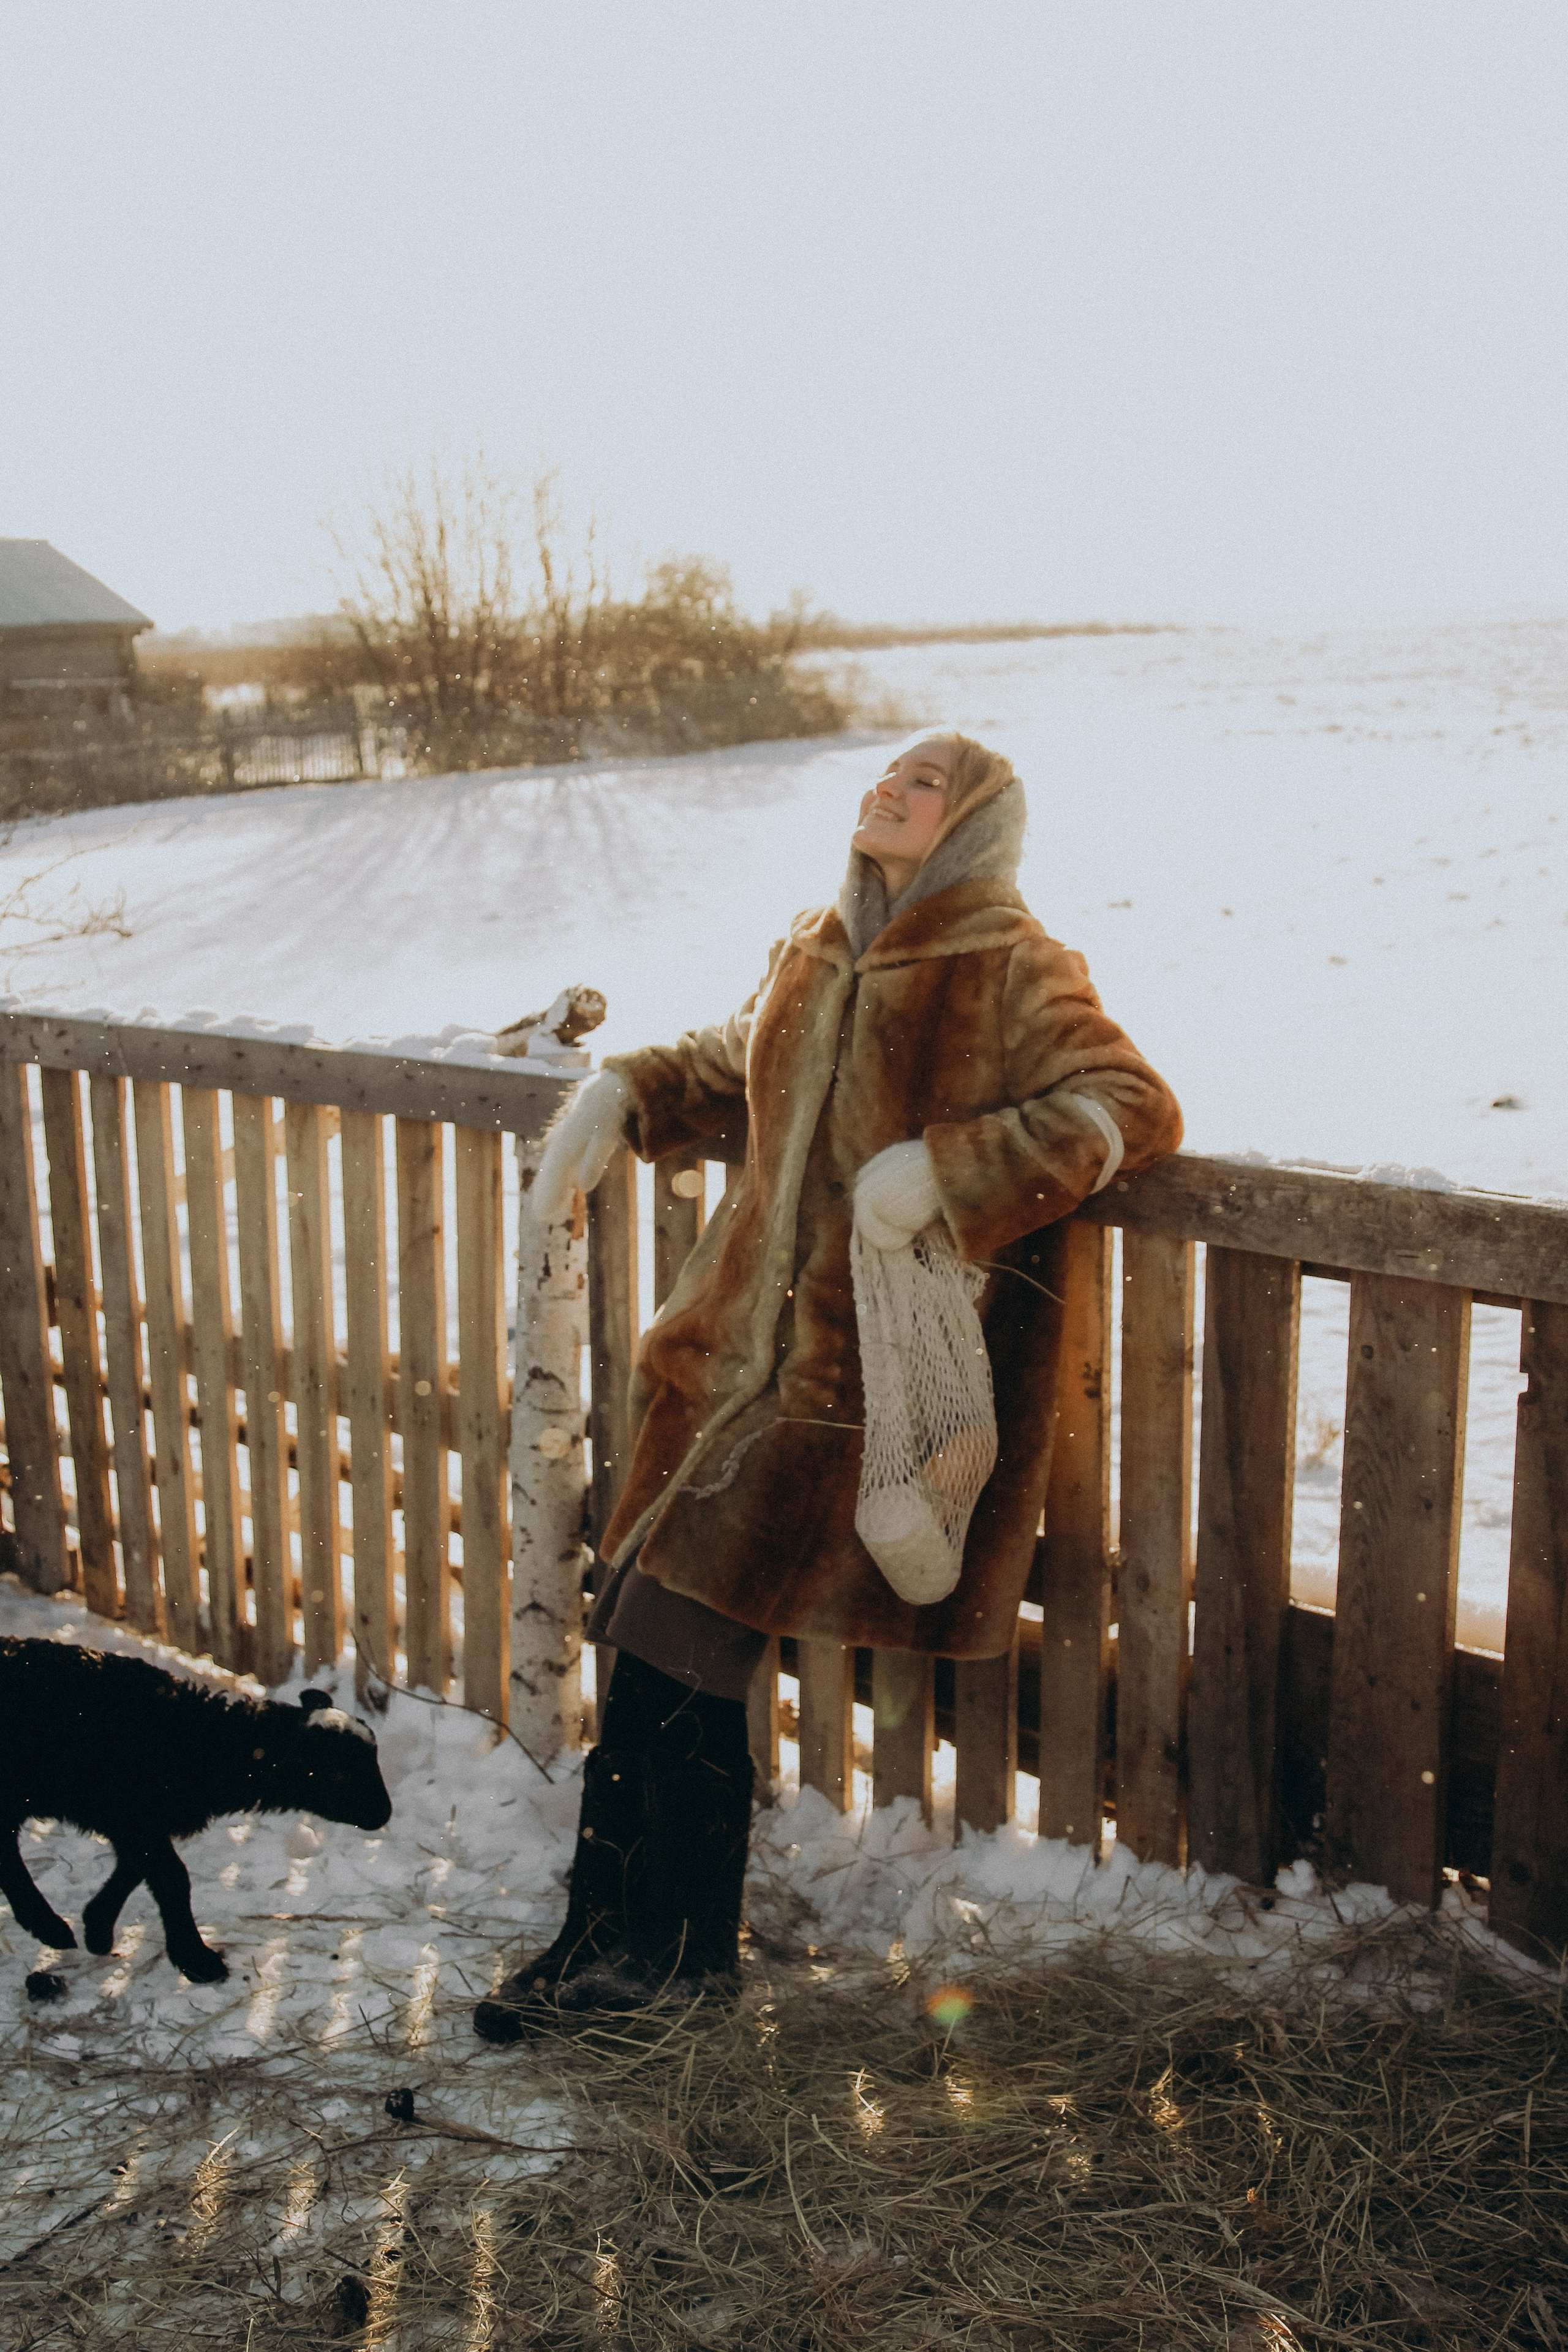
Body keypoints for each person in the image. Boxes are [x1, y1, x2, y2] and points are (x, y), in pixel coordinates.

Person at [474, 733, 1182, 2043]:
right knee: (642, 1641)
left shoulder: (1013, 965)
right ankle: (604, 1939)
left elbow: (1125, 1103)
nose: (886, 792)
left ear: (970, 827)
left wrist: (955, 1171)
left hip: (844, 1390)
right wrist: (623, 1095)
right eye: (885, 776)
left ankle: (669, 1968)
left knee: (681, 1645)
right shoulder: (814, 943)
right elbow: (739, 1057)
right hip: (722, 1364)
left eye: (920, 787)